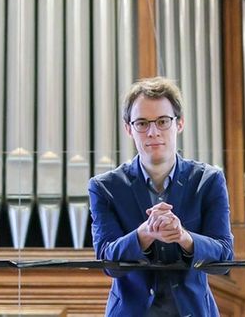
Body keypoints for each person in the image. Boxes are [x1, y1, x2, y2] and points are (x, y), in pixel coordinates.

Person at [89, 77, 234, 316]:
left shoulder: (209, 180)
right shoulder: (104, 187)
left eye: (163, 121)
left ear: (179, 124)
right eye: (142, 123)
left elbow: (224, 257)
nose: (153, 132)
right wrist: (144, 233)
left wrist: (184, 237)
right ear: (128, 128)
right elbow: (107, 262)